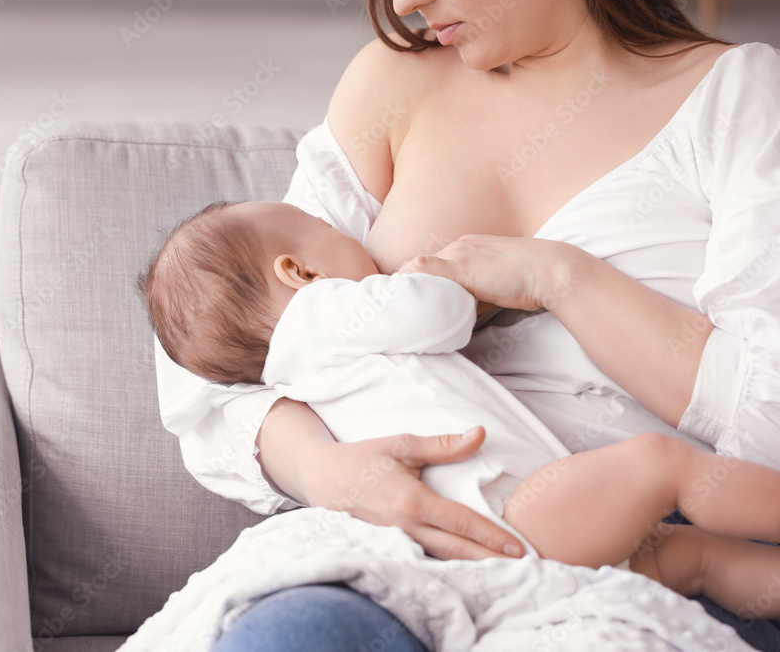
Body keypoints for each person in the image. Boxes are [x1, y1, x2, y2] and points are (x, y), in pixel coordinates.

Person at [153, 0, 780, 647]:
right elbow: (213, 352)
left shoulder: (738, 97)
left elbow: (770, 420)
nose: (407, 0)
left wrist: (562, 278)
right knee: (296, 633)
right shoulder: (395, 80)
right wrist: (322, 469)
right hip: (393, 544)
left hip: (638, 546)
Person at [140, 196, 780, 619]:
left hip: (505, 539)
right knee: (661, 463)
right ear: (298, 273)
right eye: (331, 232)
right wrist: (437, 276)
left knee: (695, 561)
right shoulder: (325, 314)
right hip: (520, 512)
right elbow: (440, 317)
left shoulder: (300, 375)